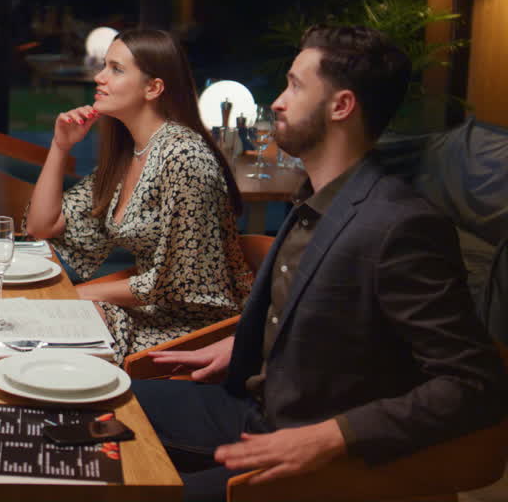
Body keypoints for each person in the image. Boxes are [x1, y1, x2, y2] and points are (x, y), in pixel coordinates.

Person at [134, 26, 508, 501]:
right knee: (101, 401)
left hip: (314, 451)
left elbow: (474, 383)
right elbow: (331, 311)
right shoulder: (317, 197)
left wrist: (331, 436)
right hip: (253, 406)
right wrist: (255, 343)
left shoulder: (400, 225)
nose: (278, 102)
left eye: (294, 85)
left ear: (341, 106)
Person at [25, 29, 251, 364]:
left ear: (153, 88)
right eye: (104, 66)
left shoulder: (183, 156)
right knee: (29, 330)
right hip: (147, 314)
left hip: (194, 332)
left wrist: (74, 295)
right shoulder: (131, 153)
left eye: (116, 69)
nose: (99, 77)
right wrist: (60, 147)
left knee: (43, 334)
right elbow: (42, 227)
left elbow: (177, 281)